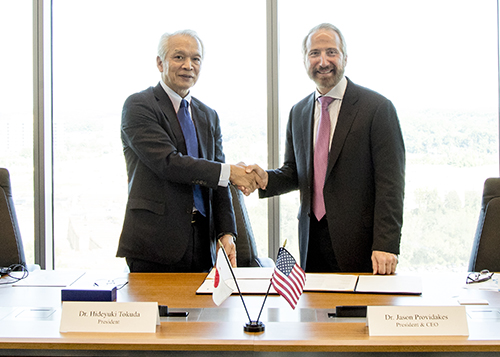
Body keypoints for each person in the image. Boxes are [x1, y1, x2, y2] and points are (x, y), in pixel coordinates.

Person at [245, 23, 405, 274]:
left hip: (362, 247)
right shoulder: (299, 112)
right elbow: (294, 172)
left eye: (331, 52)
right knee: (316, 312)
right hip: (312, 241)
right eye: (314, 53)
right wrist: (265, 179)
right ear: (305, 60)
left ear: (345, 58)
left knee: (358, 312)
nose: (323, 61)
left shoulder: (377, 109)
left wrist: (386, 244)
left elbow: (391, 184)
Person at [117, 30, 261, 272]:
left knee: (203, 310)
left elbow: (220, 182)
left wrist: (226, 233)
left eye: (196, 59)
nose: (188, 65)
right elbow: (169, 163)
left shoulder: (208, 115)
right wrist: (230, 173)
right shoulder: (139, 105)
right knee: (158, 311)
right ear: (160, 63)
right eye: (179, 57)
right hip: (155, 244)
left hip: (202, 241)